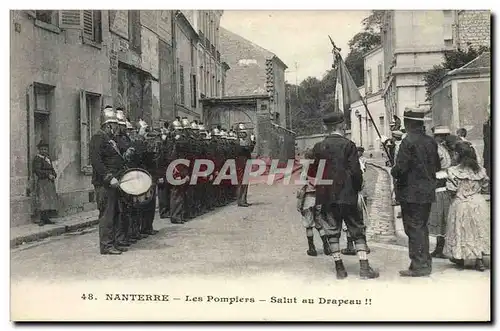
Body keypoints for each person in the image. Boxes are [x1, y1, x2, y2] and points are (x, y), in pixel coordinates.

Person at [309, 112, 379, 280]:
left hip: (326, 196)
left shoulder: (318, 147)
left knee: (332, 232)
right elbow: (356, 172)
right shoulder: (349, 145)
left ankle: (339, 268)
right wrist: (356, 189)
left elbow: (312, 173)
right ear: (342, 126)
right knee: (357, 230)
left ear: (326, 127)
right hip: (347, 195)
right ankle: (364, 268)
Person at [391, 107, 440, 277]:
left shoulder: (407, 142)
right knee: (421, 227)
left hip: (410, 193)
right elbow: (437, 166)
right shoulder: (431, 141)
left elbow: (401, 169)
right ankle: (422, 262)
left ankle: (419, 265)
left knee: (413, 228)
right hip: (427, 192)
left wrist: (393, 170)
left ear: (407, 123)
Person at [443, 141, 490, 271]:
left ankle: (460, 256)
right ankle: (479, 259)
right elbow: (485, 187)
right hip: (478, 203)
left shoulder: (453, 171)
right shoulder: (480, 170)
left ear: (457, 154)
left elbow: (451, 189)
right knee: (478, 230)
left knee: (462, 230)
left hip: (461, 203)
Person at [90, 106, 127, 255]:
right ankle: (106, 245)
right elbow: (96, 161)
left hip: (115, 183)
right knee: (107, 215)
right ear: (107, 125)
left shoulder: (110, 139)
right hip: (105, 184)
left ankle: (114, 242)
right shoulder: (98, 138)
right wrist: (109, 177)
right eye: (114, 125)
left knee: (116, 214)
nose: (116, 128)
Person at [297, 149, 332, 256]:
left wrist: (299, 203)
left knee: (308, 225)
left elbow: (302, 187)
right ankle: (326, 247)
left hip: (308, 199)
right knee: (319, 223)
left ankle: (312, 249)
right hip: (319, 198)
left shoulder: (305, 169)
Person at [428, 126, 453, 258]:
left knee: (444, 217)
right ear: (436, 137)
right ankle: (439, 247)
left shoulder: (444, 148)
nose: (443, 138)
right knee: (439, 216)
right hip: (438, 182)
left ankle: (441, 247)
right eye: (440, 136)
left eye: (445, 135)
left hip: (445, 182)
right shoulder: (435, 149)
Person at [32, 140, 58, 226]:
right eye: (42, 149)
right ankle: (41, 219)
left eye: (45, 149)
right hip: (43, 181)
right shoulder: (37, 158)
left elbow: (52, 169)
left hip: (50, 182)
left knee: (49, 200)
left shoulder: (48, 158)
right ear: (39, 150)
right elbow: (37, 170)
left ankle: (46, 218)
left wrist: (54, 174)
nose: (44, 151)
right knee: (42, 200)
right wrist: (47, 175)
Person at [236, 123, 256, 207]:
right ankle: (240, 200)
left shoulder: (245, 142)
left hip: (246, 162)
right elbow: (246, 149)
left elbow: (250, 149)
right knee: (241, 182)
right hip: (240, 163)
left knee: (245, 182)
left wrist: (252, 142)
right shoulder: (237, 142)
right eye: (242, 132)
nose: (243, 134)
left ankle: (244, 199)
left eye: (244, 133)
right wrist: (250, 143)